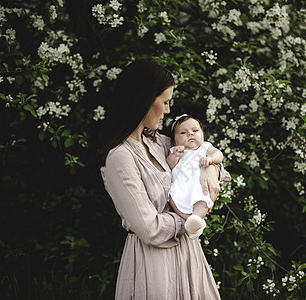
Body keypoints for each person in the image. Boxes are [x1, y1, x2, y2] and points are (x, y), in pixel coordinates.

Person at [98, 58, 230, 299]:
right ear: (145, 100)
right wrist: (189, 218)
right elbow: (149, 228)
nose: (168, 110)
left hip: (190, 255)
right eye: (165, 102)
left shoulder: (162, 143)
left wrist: (212, 169)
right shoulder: (120, 157)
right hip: (154, 265)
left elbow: (214, 169)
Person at [166, 114, 224, 239]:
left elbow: (218, 154)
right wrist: (175, 156)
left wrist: (211, 159)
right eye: (183, 132)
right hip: (181, 184)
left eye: (195, 130)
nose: (190, 134)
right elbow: (168, 165)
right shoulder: (175, 150)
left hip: (198, 182)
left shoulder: (204, 147)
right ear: (175, 140)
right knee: (173, 196)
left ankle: (196, 218)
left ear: (202, 134)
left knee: (203, 196)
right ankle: (192, 222)